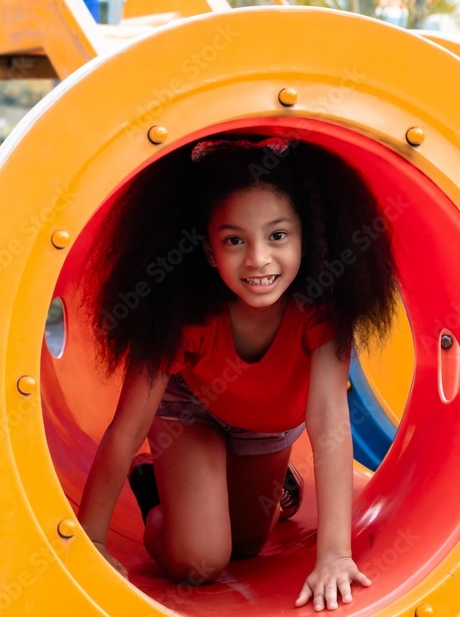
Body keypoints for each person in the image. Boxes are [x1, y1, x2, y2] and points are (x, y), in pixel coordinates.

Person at [76, 136, 398, 611]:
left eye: (277, 236)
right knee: (200, 562)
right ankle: (156, 489)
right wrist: (91, 540)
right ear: (208, 250)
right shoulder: (182, 314)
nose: (258, 260)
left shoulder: (322, 307)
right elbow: (129, 426)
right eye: (233, 241)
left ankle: (269, 484)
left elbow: (329, 419)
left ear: (307, 238)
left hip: (267, 426)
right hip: (192, 415)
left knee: (247, 548)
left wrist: (334, 555)